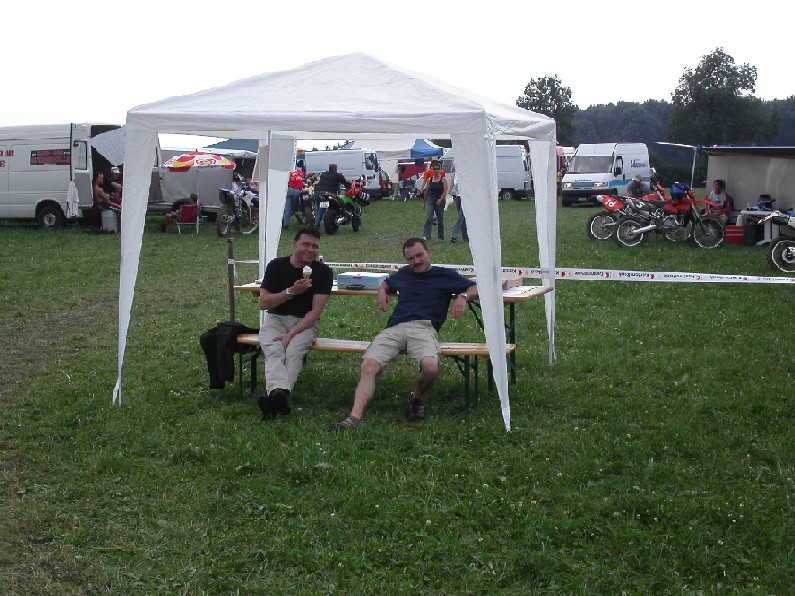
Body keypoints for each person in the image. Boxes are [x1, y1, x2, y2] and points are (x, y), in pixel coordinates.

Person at [332, 237, 477, 429]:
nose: (416, 261)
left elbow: (476, 287)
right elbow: (387, 282)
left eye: (419, 255)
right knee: (368, 365)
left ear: (429, 253)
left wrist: (463, 297)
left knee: (431, 367)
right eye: (410, 258)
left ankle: (416, 398)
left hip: (424, 328)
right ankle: (354, 418)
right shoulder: (404, 273)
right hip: (396, 327)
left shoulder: (444, 275)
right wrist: (382, 290)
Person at [258, 226, 333, 420]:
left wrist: (290, 334)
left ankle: (274, 397)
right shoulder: (276, 266)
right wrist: (290, 292)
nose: (311, 250)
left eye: (315, 246)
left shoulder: (323, 272)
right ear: (294, 244)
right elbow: (263, 303)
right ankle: (280, 396)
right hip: (276, 319)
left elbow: (315, 313)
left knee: (293, 352)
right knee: (274, 350)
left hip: (305, 322)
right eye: (306, 244)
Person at [313, 164, 350, 230]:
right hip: (326, 194)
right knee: (321, 211)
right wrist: (350, 186)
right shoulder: (337, 175)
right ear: (335, 169)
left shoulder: (323, 174)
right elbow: (345, 183)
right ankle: (315, 227)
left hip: (316, 192)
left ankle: (314, 224)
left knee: (318, 210)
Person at [421, 159, 449, 241]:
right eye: (435, 169)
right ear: (432, 170)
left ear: (439, 169)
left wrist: (441, 199)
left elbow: (445, 190)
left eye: (438, 169)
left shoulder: (443, 179)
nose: (436, 170)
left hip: (439, 199)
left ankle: (440, 237)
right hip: (431, 199)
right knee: (429, 217)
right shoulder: (430, 180)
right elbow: (427, 191)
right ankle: (426, 236)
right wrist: (424, 202)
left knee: (440, 218)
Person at [449, 165, 468, 243]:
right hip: (458, 197)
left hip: (465, 198)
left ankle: (454, 235)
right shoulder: (455, 174)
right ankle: (466, 237)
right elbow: (451, 186)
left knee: (460, 217)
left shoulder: (467, 174)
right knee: (463, 218)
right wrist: (447, 194)